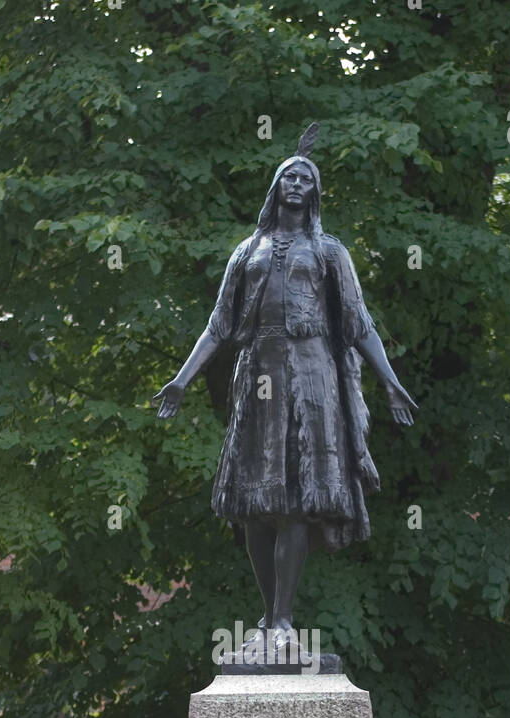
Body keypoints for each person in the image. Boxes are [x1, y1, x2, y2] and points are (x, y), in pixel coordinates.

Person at [154, 124, 416, 657]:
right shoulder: (246, 251)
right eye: (288, 177)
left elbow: (360, 324)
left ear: (314, 193)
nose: (296, 184)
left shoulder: (329, 252)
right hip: (257, 376)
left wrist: (390, 382)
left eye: (305, 178)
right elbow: (218, 325)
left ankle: (283, 621)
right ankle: (268, 616)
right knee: (254, 502)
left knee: (295, 499)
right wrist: (182, 379)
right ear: (276, 188)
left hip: (311, 374)